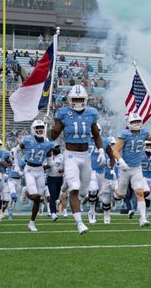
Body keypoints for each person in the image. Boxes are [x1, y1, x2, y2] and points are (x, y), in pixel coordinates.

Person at [50, 85, 107, 234]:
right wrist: (50, 128)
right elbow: (54, 136)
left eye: (80, 99)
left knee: (83, 191)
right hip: (71, 155)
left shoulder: (91, 113)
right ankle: (79, 223)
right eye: (75, 99)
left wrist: (101, 151)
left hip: (86, 156)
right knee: (74, 188)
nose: (77, 101)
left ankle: (71, 195)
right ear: (70, 99)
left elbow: (96, 135)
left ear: (85, 99)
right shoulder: (63, 113)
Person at [112, 113, 151, 227]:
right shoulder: (124, 134)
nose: (136, 124)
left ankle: (143, 219)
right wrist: (121, 161)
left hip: (137, 168)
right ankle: (115, 192)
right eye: (133, 122)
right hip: (125, 169)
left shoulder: (143, 133)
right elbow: (115, 151)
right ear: (129, 123)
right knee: (120, 196)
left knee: (139, 192)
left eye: (138, 121)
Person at [12, 120, 54, 232]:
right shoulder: (27, 140)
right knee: (34, 196)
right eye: (37, 128)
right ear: (33, 129)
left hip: (40, 170)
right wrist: (16, 165)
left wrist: (52, 166)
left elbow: (50, 161)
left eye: (41, 127)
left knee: (38, 198)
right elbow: (15, 150)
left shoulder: (48, 143)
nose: (40, 129)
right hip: (29, 169)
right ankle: (26, 191)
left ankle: (32, 223)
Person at [87, 124, 115, 224]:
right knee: (93, 189)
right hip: (89, 171)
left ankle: (107, 213)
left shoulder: (105, 141)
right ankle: (92, 211)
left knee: (106, 197)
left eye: (96, 130)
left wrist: (112, 168)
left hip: (101, 172)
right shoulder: (85, 141)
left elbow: (112, 156)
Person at [46, 143, 64, 222]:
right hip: (51, 178)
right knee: (52, 196)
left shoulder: (62, 157)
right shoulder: (49, 157)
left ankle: (54, 205)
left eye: (58, 147)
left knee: (56, 196)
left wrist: (62, 170)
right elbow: (44, 166)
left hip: (59, 178)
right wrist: (47, 166)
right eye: (56, 148)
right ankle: (53, 213)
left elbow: (66, 167)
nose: (57, 149)